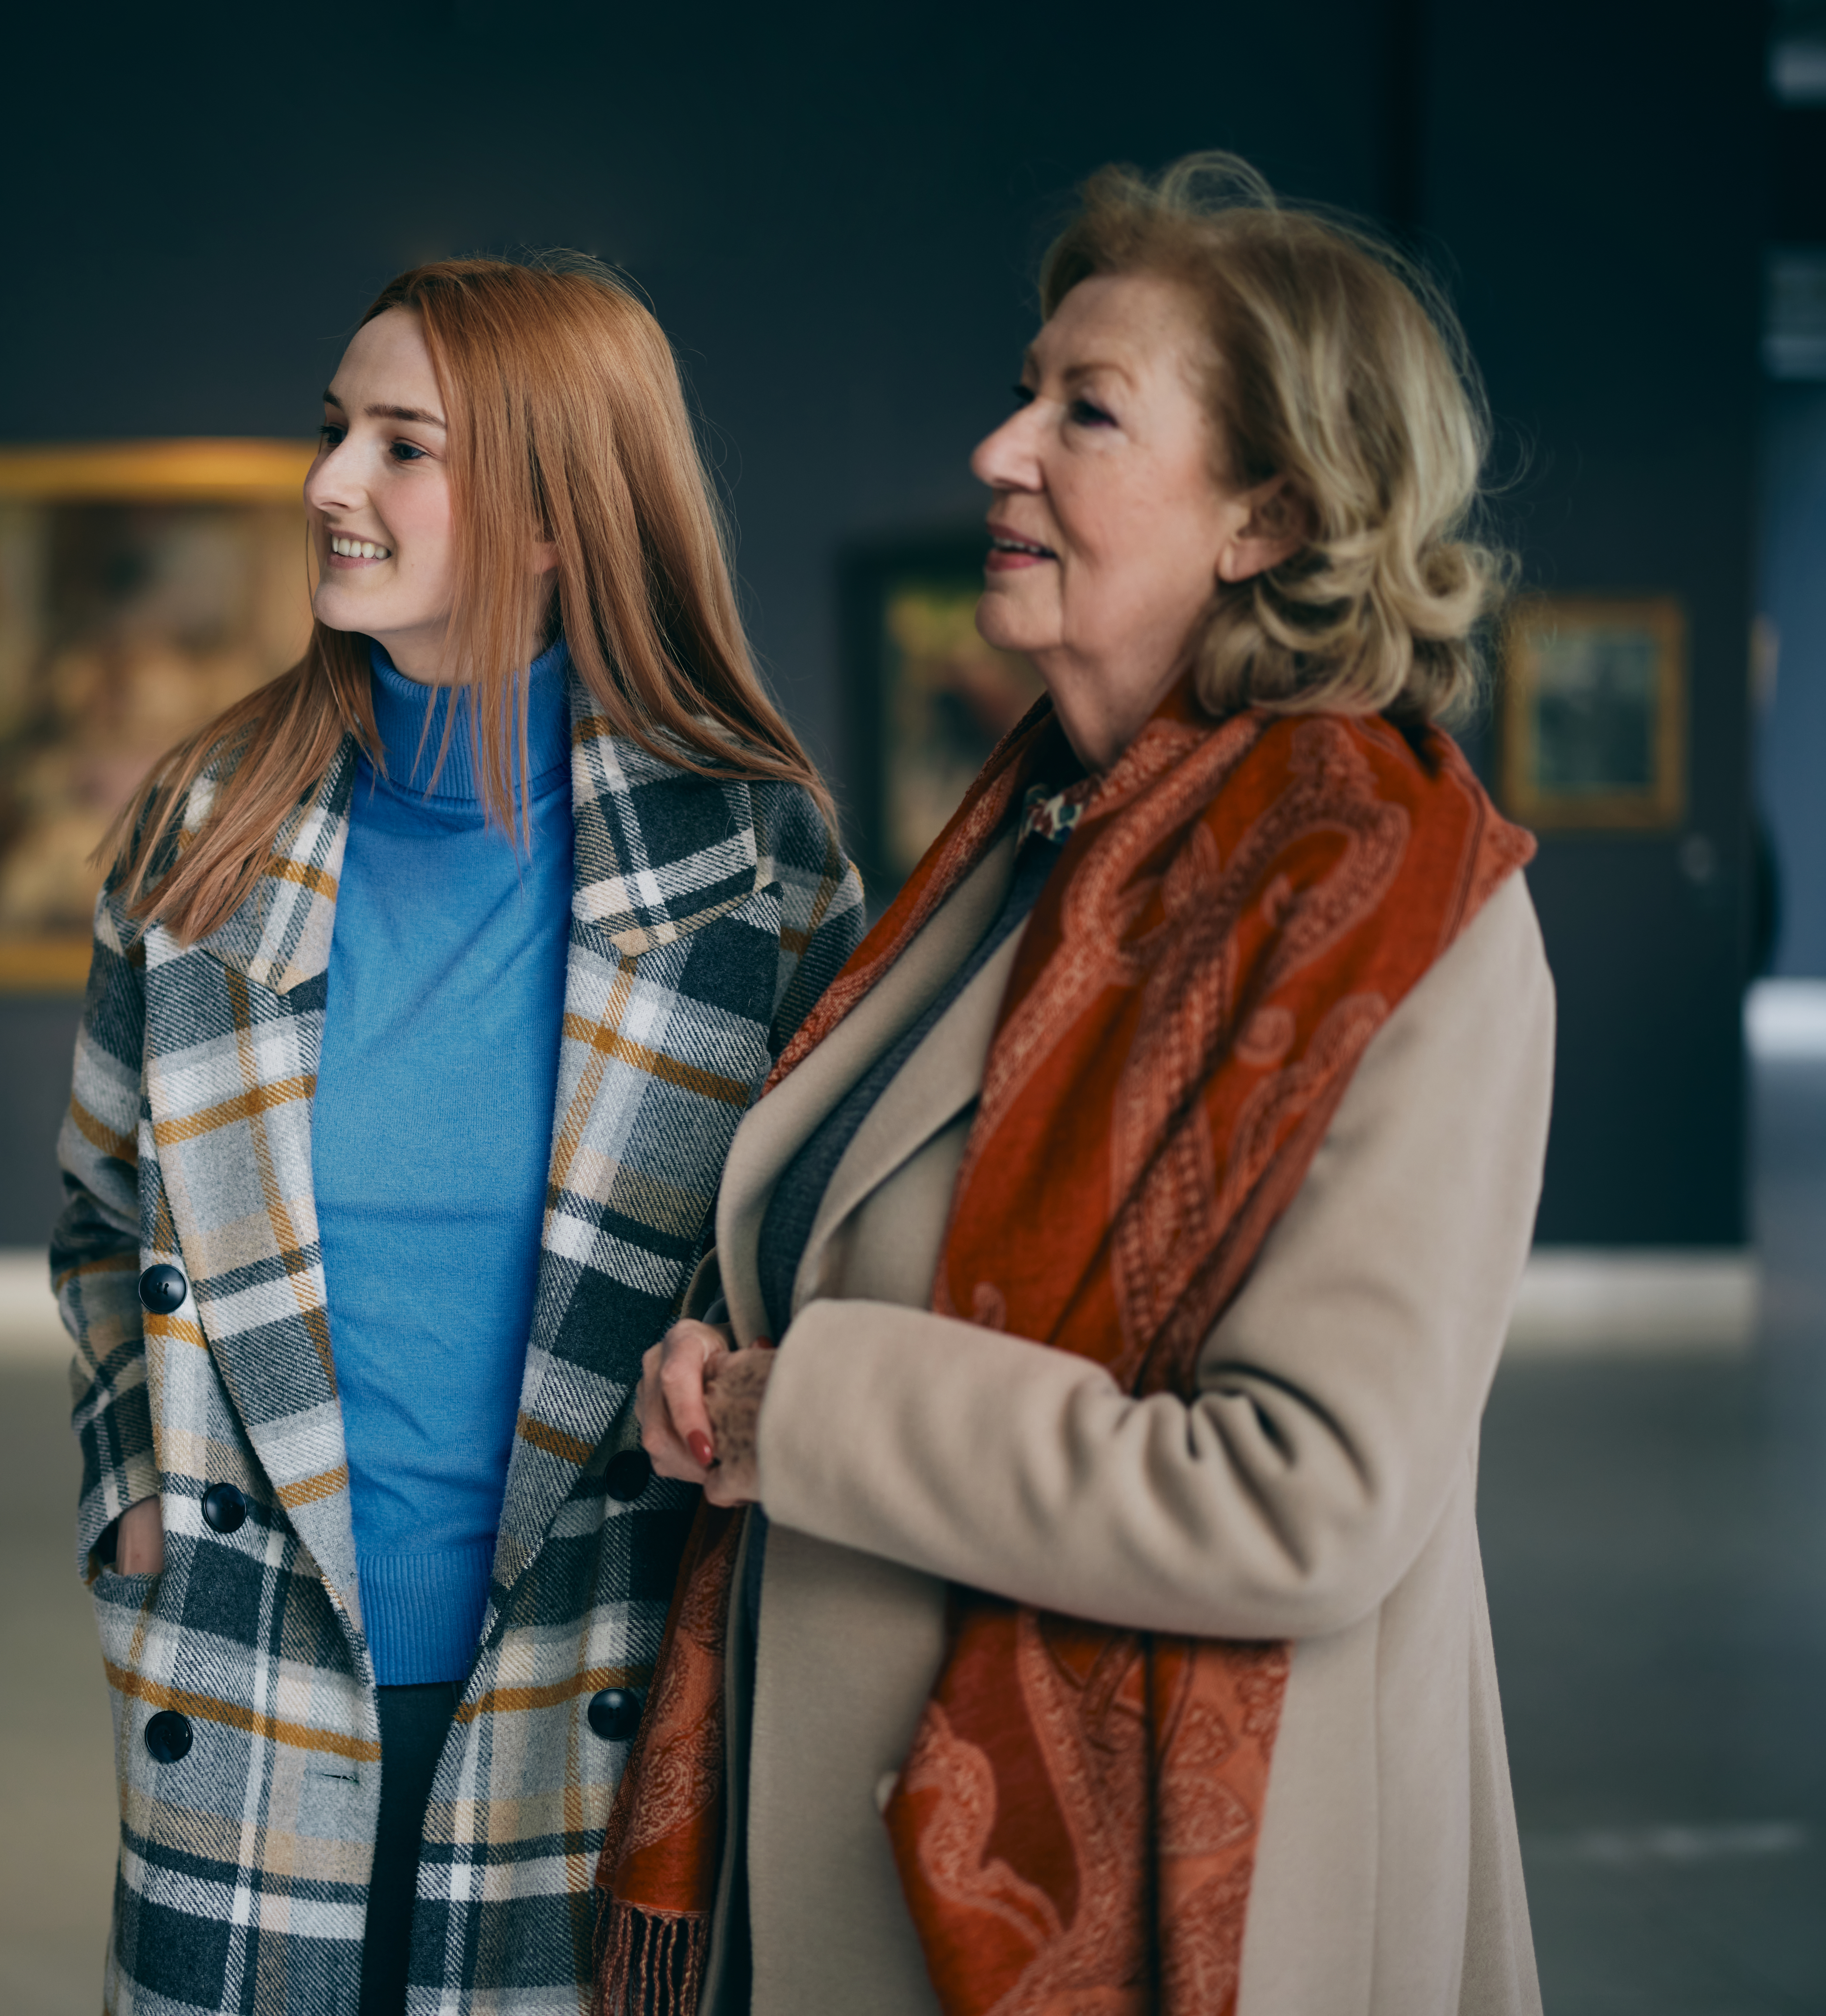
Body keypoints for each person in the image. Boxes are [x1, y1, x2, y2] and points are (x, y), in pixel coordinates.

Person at [604, 155, 1550, 2016]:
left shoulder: (1394, 911)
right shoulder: (1032, 839)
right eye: (1022, 389)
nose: (994, 447)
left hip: (1156, 1917)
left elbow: (1299, 1497)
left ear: (1266, 514)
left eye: (1082, 411)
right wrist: (712, 1379)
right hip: (834, 1880)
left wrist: (797, 1417)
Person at [51, 254, 866, 2016]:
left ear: (561, 511)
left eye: (401, 446)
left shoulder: (756, 873)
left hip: (596, 1675)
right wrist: (136, 1505)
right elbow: (97, 1220)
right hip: (246, 1663)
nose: (329, 484)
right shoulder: (201, 835)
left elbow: (832, 1277)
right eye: (331, 431)